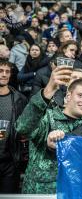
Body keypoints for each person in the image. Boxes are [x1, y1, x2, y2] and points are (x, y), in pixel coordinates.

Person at [15, 69, 82, 193]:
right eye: (81, 95)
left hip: (74, 192)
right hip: (41, 192)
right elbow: (22, 128)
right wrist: (47, 92)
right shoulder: (47, 117)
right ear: (68, 96)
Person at [0, 60, 27, 193]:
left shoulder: (19, 99)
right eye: (0, 71)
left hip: (10, 161)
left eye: (7, 71)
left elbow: (25, 127)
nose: (4, 74)